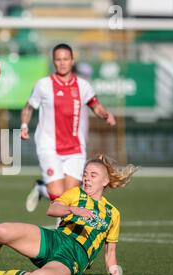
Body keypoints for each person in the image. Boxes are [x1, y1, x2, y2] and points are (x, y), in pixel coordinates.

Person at [0, 154, 137, 275]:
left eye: (93, 175)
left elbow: (110, 253)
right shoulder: (76, 194)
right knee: (0, 231)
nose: (87, 179)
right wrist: (72, 209)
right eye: (85, 174)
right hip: (55, 240)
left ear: (105, 181)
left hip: (73, 259)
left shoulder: (113, 214)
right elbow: (52, 209)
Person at [21, 43, 116, 216]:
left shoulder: (82, 86)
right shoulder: (43, 85)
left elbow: (95, 105)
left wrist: (105, 114)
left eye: (66, 59)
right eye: (58, 59)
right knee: (57, 195)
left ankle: (42, 191)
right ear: (54, 62)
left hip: (75, 148)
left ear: (72, 61)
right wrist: (24, 126)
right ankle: (46, 192)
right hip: (49, 146)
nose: (62, 63)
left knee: (70, 197)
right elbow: (29, 107)